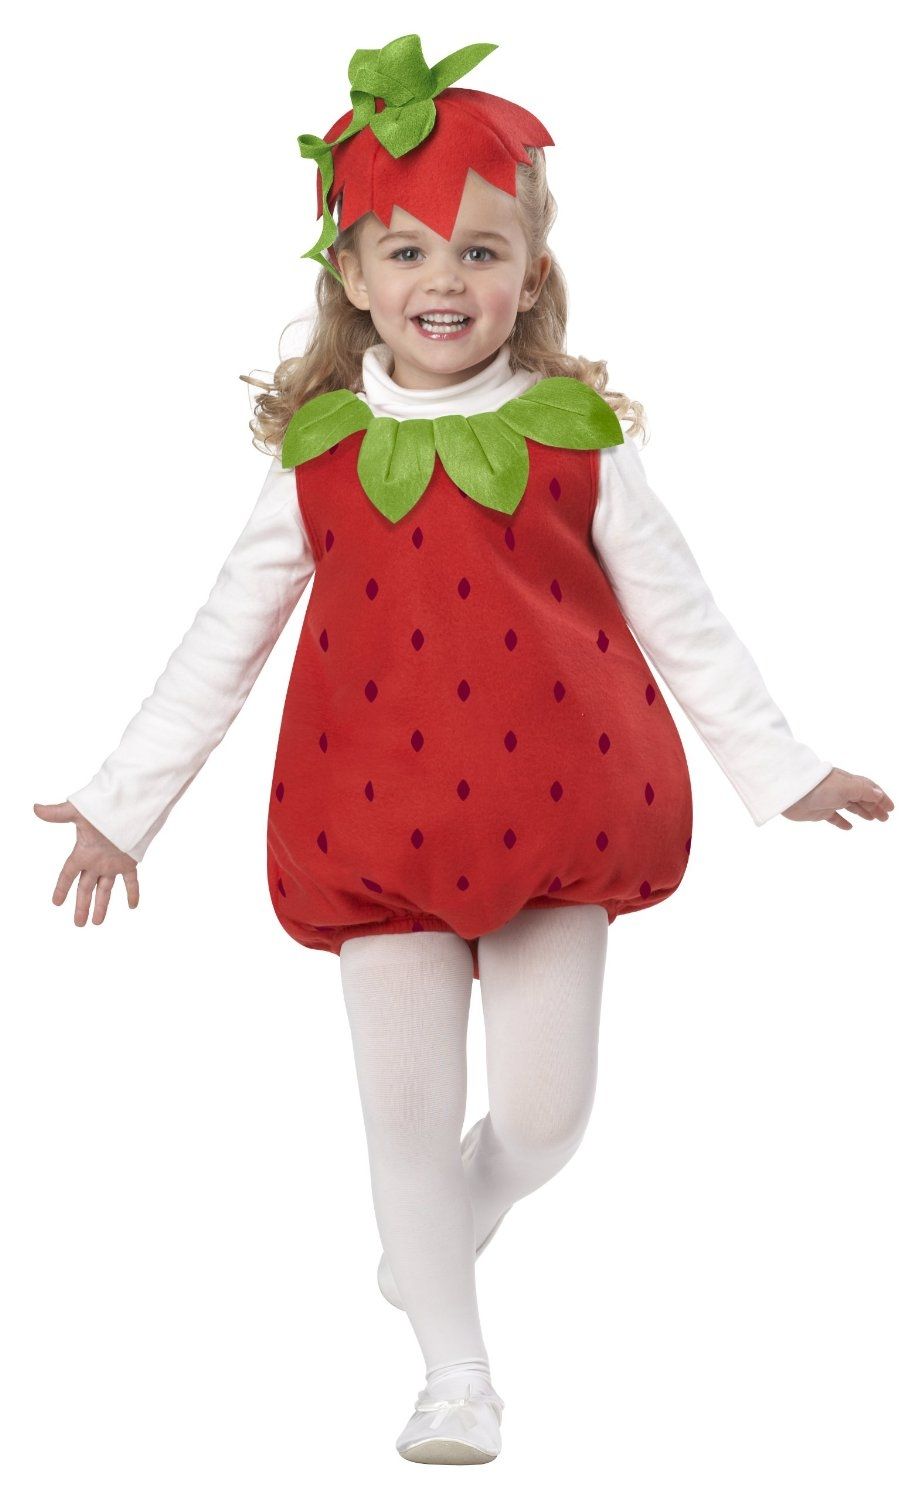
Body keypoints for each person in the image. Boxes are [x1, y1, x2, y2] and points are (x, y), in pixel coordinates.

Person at [34, 33, 893, 1465]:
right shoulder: (320, 451)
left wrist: (783, 766)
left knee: (547, 1118)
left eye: (483, 251)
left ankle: (454, 1217)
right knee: (404, 1118)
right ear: (353, 275)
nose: (447, 278)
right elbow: (221, 637)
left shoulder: (577, 437)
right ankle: (454, 1373)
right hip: (372, 827)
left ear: (532, 275)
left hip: (562, 819)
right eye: (410, 250)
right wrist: (125, 803)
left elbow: (680, 613)